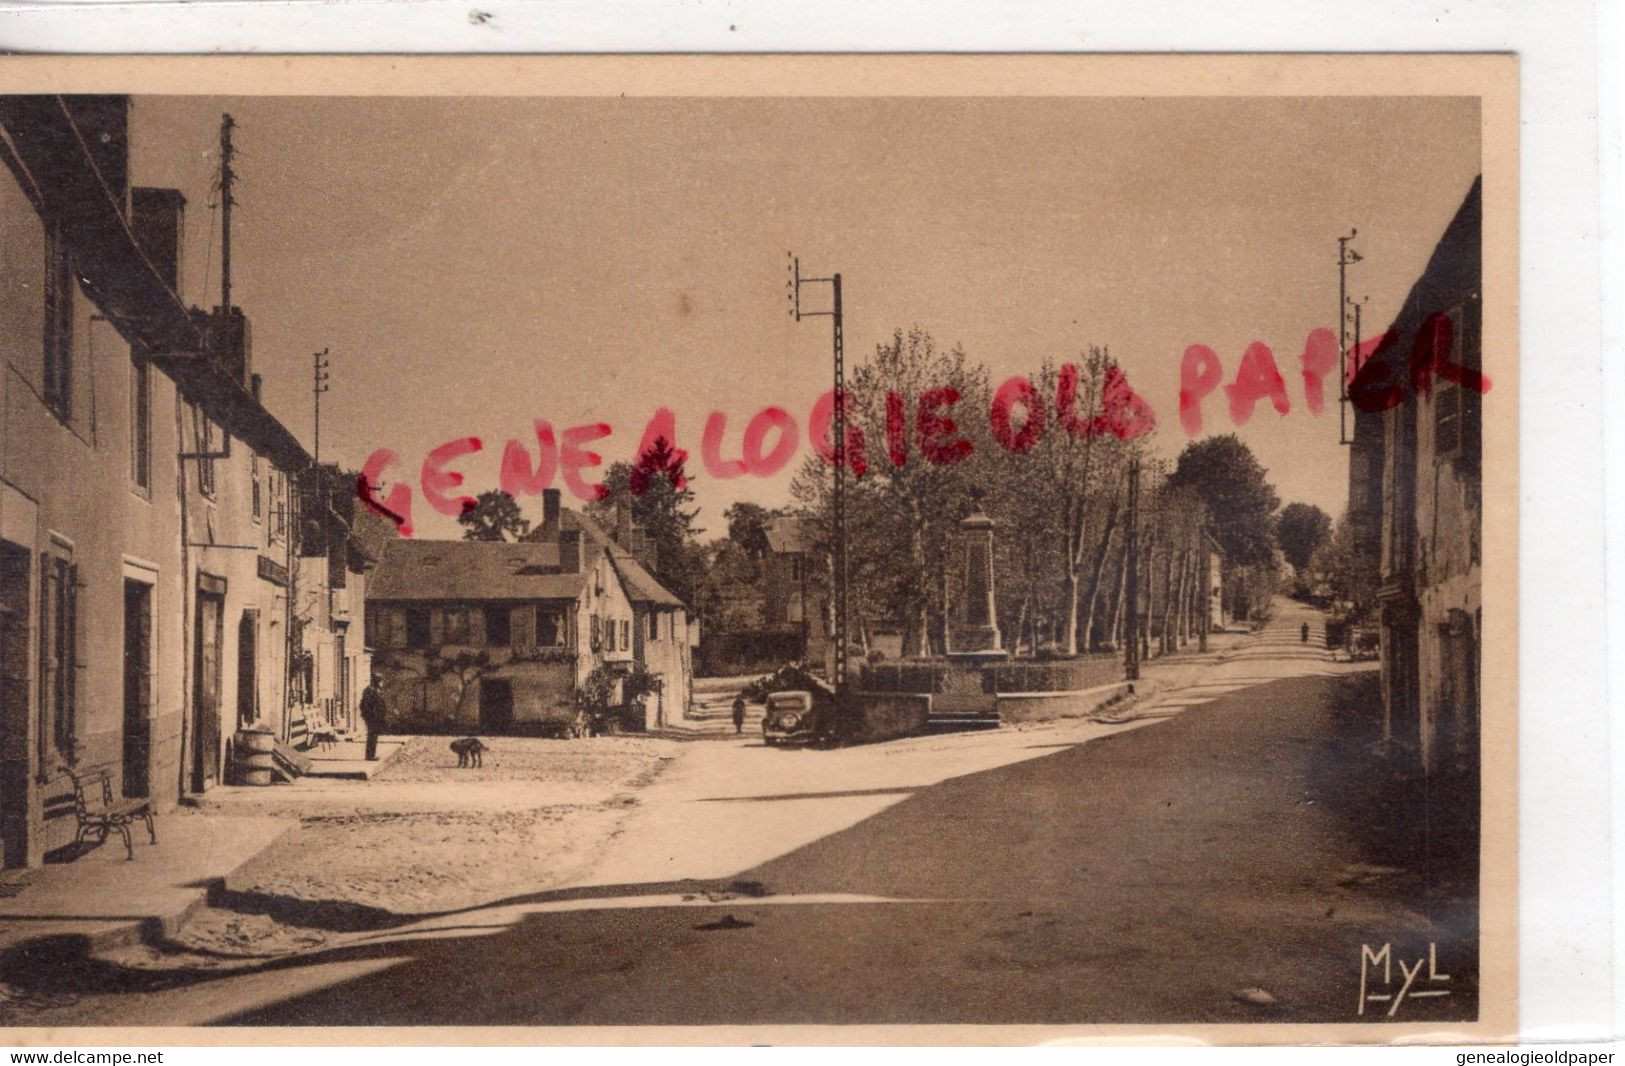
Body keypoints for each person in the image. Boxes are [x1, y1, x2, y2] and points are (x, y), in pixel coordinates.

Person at [360, 677, 388, 760]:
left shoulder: (375, 690)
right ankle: (370, 756)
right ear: (378, 682)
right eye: (381, 682)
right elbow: (365, 705)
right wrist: (369, 715)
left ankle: (372, 754)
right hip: (372, 717)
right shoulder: (370, 691)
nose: (382, 684)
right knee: (372, 736)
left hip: (376, 717)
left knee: (374, 736)